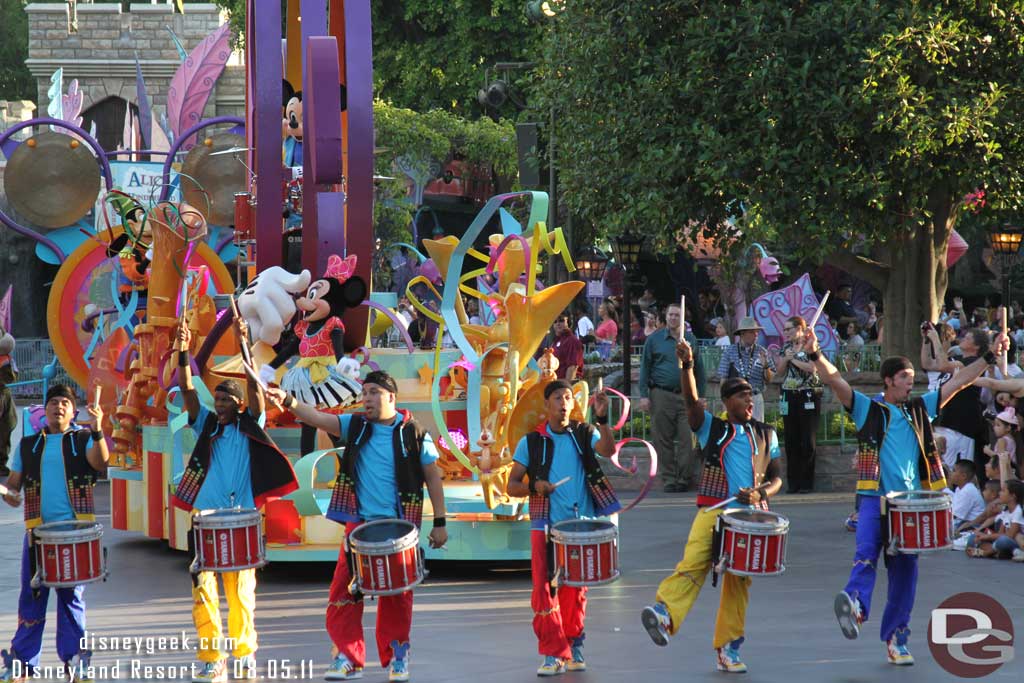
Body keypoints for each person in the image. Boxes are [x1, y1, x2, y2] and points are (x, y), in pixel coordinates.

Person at [799, 322, 1006, 665]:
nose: (912, 381)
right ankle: (855, 607)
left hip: (909, 504)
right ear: (889, 380)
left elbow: (960, 380)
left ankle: (897, 638)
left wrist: (988, 356)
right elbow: (835, 380)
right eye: (906, 376)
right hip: (873, 498)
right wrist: (815, 352)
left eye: (912, 376)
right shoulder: (870, 408)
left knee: (905, 573)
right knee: (865, 554)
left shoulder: (919, 408)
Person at [266, 370, 447, 682]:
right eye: (365, 393)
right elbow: (319, 418)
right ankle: (348, 657)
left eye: (375, 392)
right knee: (342, 594)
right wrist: (289, 400)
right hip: (358, 527)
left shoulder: (414, 432)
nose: (367, 399)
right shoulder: (356, 425)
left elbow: (432, 476)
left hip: (400, 528)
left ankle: (397, 657)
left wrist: (440, 522)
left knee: (397, 597)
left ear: (391, 397)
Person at [640, 339, 783, 674]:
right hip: (713, 510)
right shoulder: (711, 427)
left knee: (738, 583)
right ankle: (664, 613)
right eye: (741, 395)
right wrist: (687, 365)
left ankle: (729, 648)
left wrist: (762, 492)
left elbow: (777, 479)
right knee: (692, 564)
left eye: (750, 394)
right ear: (726, 401)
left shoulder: (767, 434)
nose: (749, 400)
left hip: (749, 517)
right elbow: (690, 401)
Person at [171, 321, 299, 683]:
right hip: (205, 521)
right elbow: (186, 387)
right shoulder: (207, 425)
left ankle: (243, 653)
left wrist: (244, 343)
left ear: (240, 405)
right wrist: (183, 351)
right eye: (219, 399)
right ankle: (212, 657)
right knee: (204, 591)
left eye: (227, 400)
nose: (221, 404)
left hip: (243, 518)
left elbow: (257, 392)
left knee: (241, 594)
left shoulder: (251, 424)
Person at [506, 379, 620, 676]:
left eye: (568, 397)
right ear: (547, 406)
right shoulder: (530, 442)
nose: (564, 403)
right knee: (544, 592)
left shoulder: (584, 433)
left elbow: (607, 450)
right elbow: (512, 484)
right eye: (558, 398)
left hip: (578, 526)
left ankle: (574, 643)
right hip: (544, 525)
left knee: (574, 591)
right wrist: (536, 486)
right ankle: (552, 652)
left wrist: (603, 418)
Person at [0, 384, 109, 683]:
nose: (58, 407)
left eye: (64, 403)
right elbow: (13, 485)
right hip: (38, 536)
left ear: (74, 412)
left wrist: (98, 429)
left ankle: (75, 658)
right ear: (44, 410)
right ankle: (22, 661)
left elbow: (101, 462)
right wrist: (8, 494)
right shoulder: (28, 445)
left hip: (74, 535)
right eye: (53, 402)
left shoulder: (84, 439)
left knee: (71, 599)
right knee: (32, 597)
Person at [639, 303, 705, 492]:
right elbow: (645, 367)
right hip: (661, 394)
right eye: (671, 315)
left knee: (688, 439)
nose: (674, 318)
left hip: (687, 396)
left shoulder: (690, 340)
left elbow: (699, 369)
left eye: (677, 315)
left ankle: (684, 478)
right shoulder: (655, 340)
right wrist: (644, 395)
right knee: (662, 439)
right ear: (666, 317)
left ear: (683, 318)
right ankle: (668, 478)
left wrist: (701, 395)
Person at [775, 316, 823, 493]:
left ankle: (806, 483)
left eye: (789, 329)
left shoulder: (810, 345)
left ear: (799, 329)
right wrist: (786, 359)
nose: (785, 333)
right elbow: (778, 372)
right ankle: (793, 483)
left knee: (807, 440)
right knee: (791, 439)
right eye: (784, 330)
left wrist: (793, 359)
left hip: (808, 394)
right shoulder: (785, 348)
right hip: (789, 394)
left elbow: (813, 368)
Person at [717, 317, 775, 421]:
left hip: (755, 397)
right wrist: (725, 401)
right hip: (735, 398)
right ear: (742, 334)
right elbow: (723, 379)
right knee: (735, 430)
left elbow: (770, 379)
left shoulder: (762, 352)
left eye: (757, 332)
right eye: (752, 332)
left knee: (756, 433)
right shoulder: (729, 351)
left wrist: (766, 366)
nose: (756, 335)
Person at [949, 460, 986, 530]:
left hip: (973, 527)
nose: (950, 473)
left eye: (953, 471)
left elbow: (955, 515)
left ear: (963, 476)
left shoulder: (968, 490)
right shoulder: (959, 488)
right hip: (963, 522)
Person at [550, 314, 584, 381]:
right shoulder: (555, 341)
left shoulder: (572, 341)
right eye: (555, 322)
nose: (558, 324)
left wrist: (565, 386)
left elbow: (572, 368)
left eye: (561, 321)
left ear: (568, 321)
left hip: (564, 386)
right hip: (555, 385)